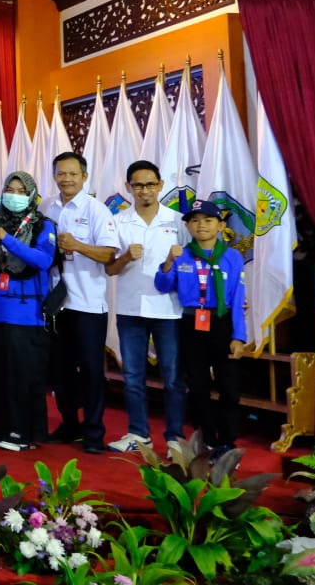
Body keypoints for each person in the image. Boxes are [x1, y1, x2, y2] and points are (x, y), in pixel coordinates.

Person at [103, 160, 187, 453]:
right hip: (130, 310)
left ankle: (175, 437)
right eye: (138, 185)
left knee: (173, 376)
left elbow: (192, 266)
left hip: (170, 310)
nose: (145, 190)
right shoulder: (118, 221)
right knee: (133, 377)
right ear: (129, 188)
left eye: (150, 184)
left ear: (160, 185)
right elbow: (111, 270)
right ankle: (139, 434)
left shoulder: (178, 221)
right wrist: (126, 257)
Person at [155, 199, 248, 455]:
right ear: (189, 226)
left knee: (229, 387)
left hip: (222, 321)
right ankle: (206, 439)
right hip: (191, 322)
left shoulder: (232, 257)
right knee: (197, 386)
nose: (201, 226)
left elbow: (239, 298)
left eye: (208, 220)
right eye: (194, 221)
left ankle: (227, 440)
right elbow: (163, 286)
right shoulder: (181, 254)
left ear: (220, 225)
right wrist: (167, 262)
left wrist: (239, 335)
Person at [41, 150, 117, 454]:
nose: (67, 179)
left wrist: (78, 246)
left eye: (73, 173)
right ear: (55, 175)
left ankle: (94, 431)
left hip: (87, 304)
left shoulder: (96, 210)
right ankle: (70, 424)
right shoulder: (47, 208)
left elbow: (109, 255)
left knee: (90, 371)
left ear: (84, 177)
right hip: (57, 305)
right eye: (61, 173)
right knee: (60, 371)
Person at [0, 171, 58, 452]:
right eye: (9, 189)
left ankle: (23, 432)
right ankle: (0, 428)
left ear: (30, 195)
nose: (13, 195)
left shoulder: (43, 225)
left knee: (23, 375)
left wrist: (9, 240)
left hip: (27, 311)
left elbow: (43, 260)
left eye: (20, 190)